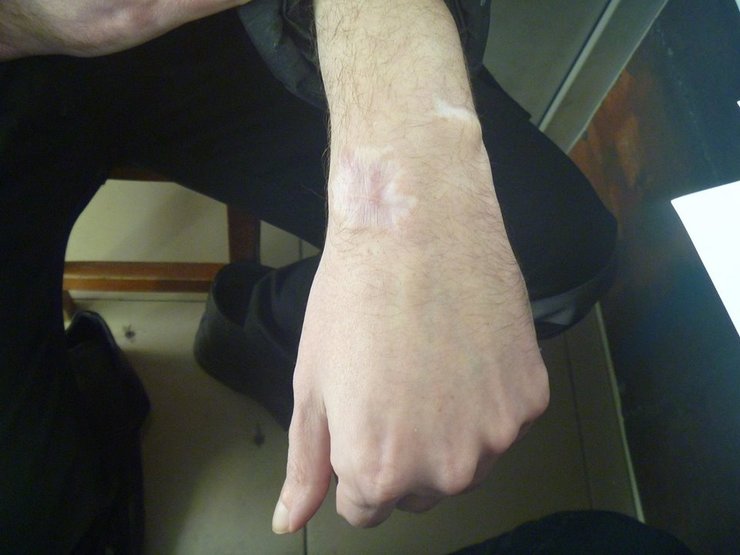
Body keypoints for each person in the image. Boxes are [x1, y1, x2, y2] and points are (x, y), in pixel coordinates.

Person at [1, 1, 625, 552]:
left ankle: (253, 333)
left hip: (219, 26)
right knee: (41, 527)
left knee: (555, 256)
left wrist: (413, 137)